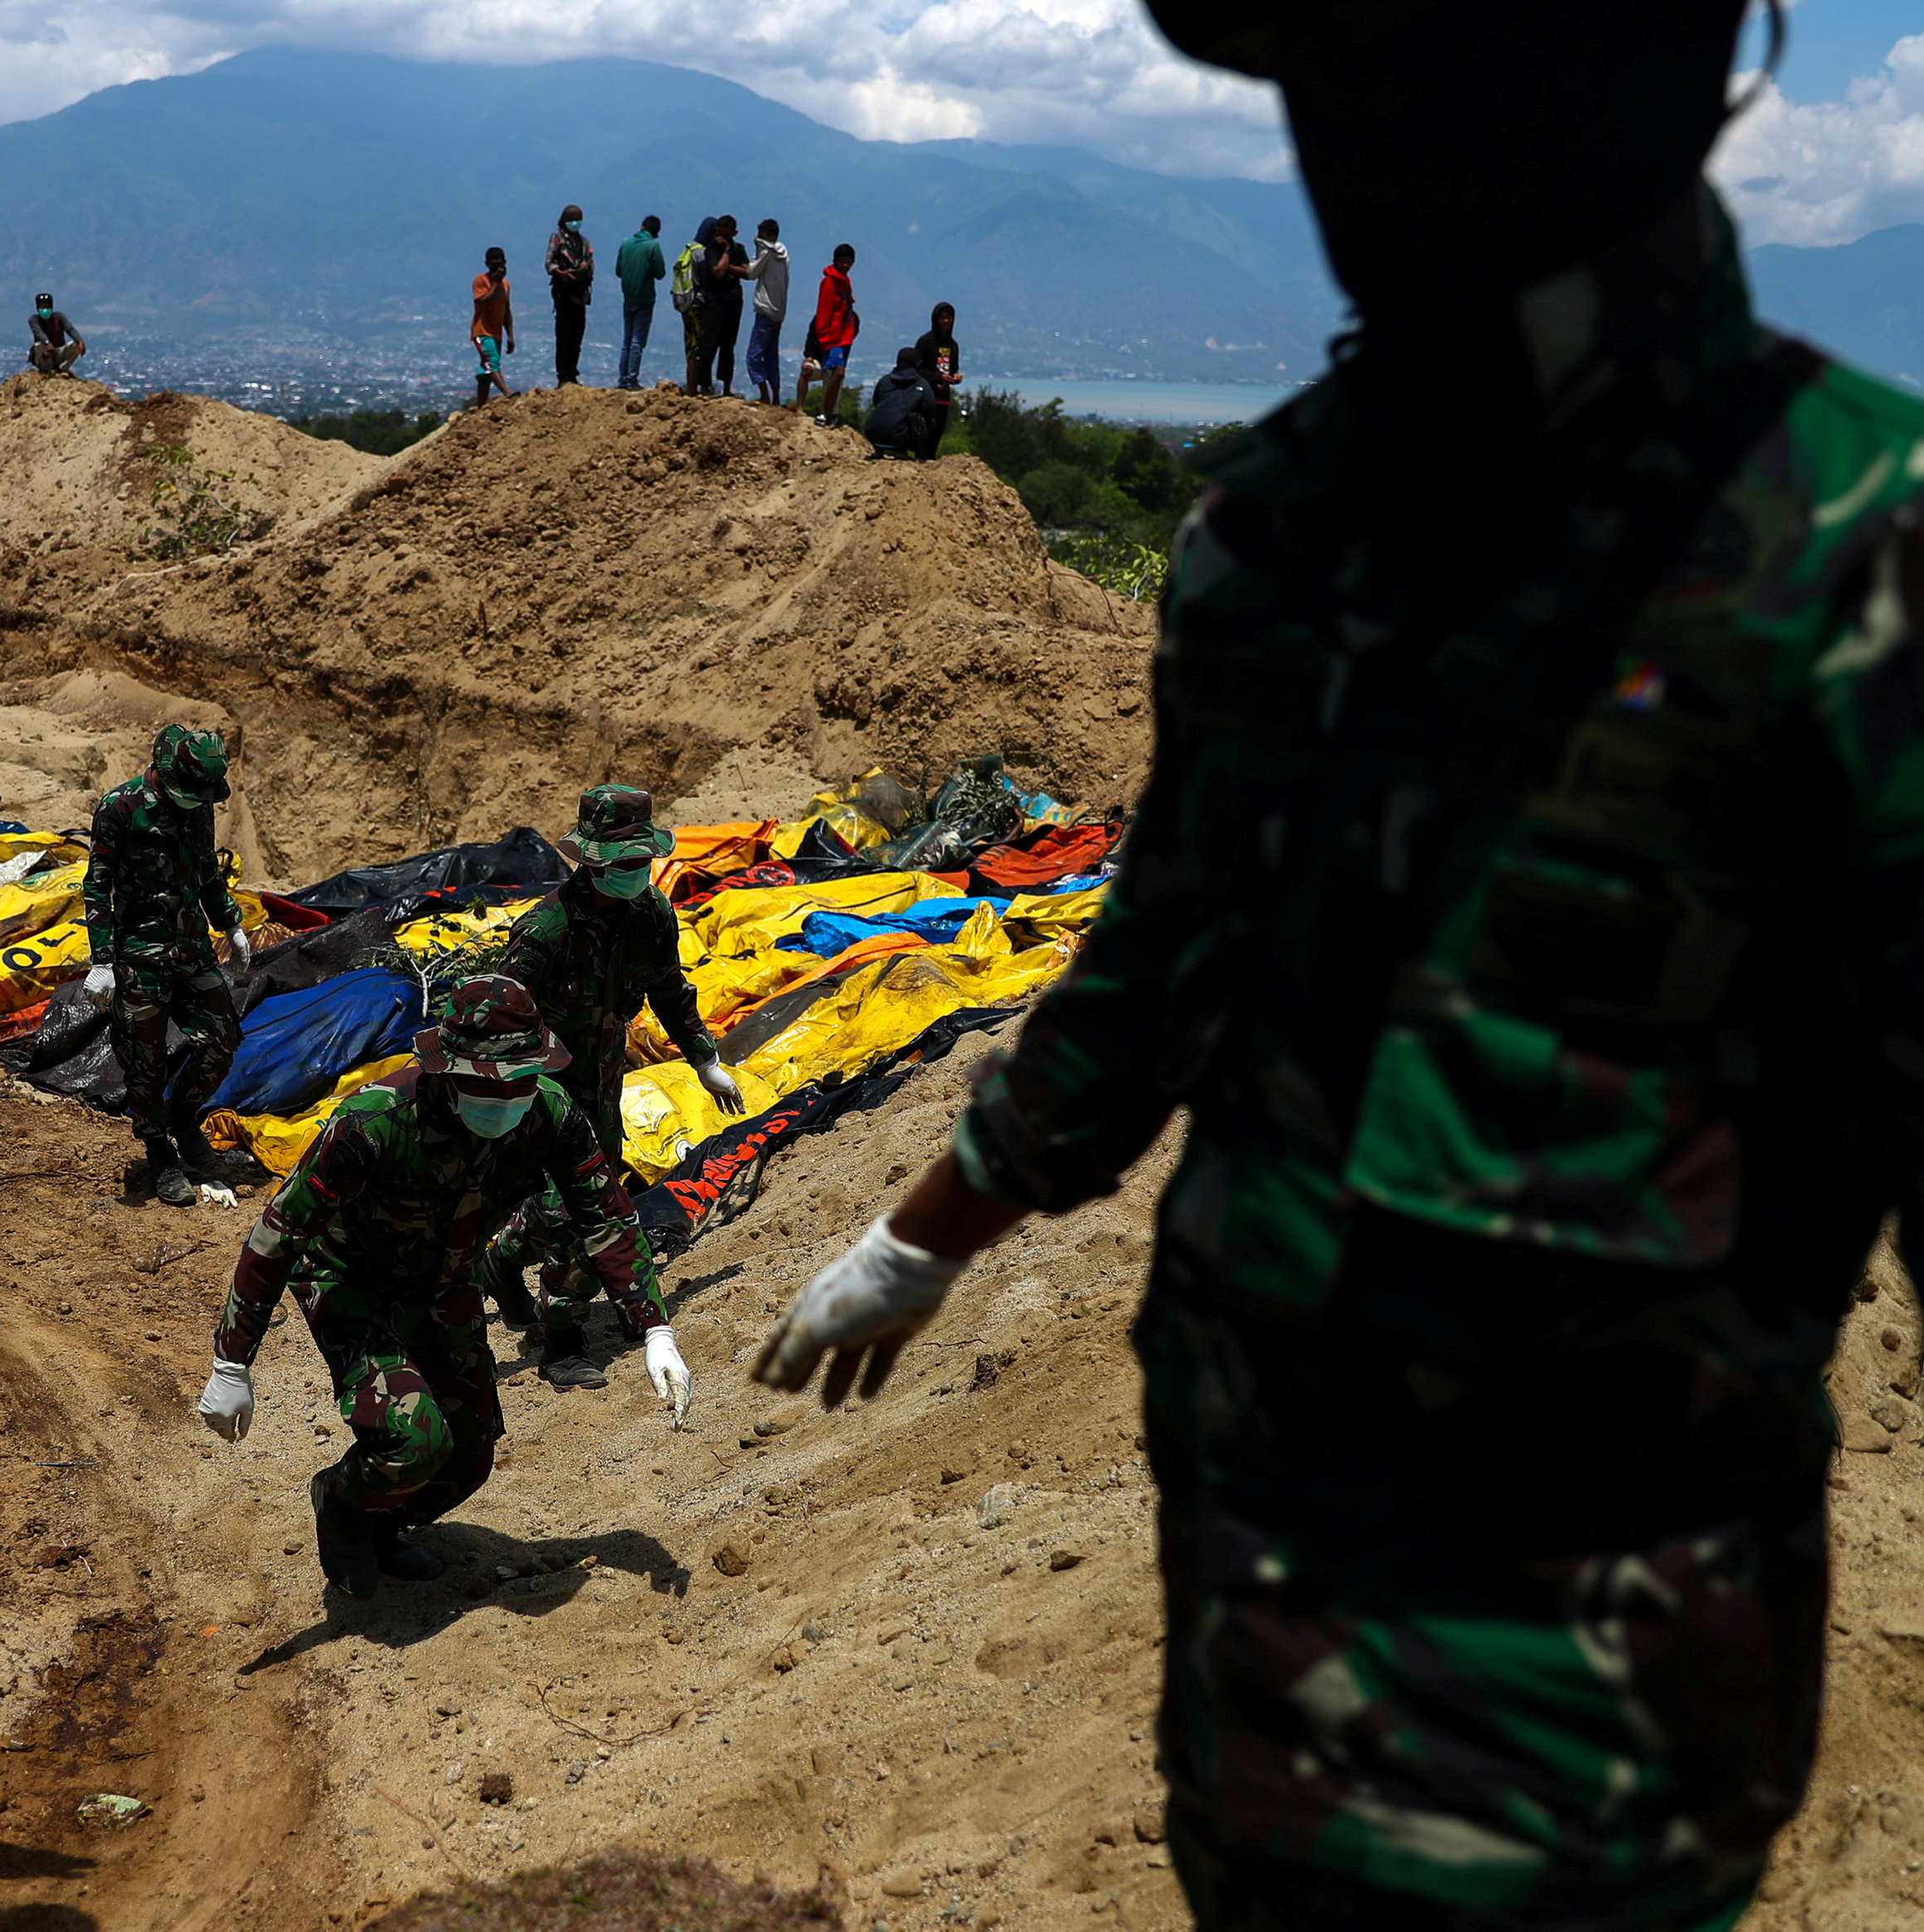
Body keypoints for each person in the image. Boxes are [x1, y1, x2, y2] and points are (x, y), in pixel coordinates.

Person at [753, 3, 1924, 1930]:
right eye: (1331, 80)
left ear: (1645, 77)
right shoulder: (1280, 531)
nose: (1362, 144)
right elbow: (1160, 961)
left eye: (1429, 66)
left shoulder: (1857, 559)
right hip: (1252, 1631)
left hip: (1585, 1728)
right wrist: (930, 1226)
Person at [193, 976, 692, 1598]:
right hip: (351, 1280)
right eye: (491, 1082)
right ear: (449, 1071)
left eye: (521, 1079)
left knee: (467, 1455)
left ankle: (384, 1524)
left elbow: (605, 1213)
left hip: (444, 1281)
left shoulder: (546, 1113)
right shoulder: (374, 1123)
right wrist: (232, 1361)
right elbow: (277, 1236)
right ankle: (343, 1506)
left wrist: (655, 1329)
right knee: (414, 1437)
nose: (508, 1097)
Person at [473, 786, 738, 1388]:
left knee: (596, 1196)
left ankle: (503, 1260)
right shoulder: (547, 930)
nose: (634, 874)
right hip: (540, 1088)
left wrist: (704, 1058)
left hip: (603, 1081)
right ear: (590, 862)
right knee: (575, 1205)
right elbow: (494, 1014)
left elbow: (669, 988)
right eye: (622, 864)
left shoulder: (651, 915)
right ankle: (562, 1338)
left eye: (641, 862)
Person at [81, 724, 252, 1208]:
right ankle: (159, 1150)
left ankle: (184, 1119)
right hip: (139, 954)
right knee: (144, 1059)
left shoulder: (196, 805)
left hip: (191, 946)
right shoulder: (120, 808)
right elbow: (97, 886)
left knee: (221, 1040)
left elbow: (207, 871)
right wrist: (102, 961)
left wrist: (230, 923)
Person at [795, 243, 858, 423]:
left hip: (844, 337)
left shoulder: (846, 282)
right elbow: (823, 313)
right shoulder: (829, 282)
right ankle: (825, 413)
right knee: (836, 373)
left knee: (837, 375)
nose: (845, 266)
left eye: (848, 262)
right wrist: (825, 339)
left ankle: (831, 413)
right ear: (835, 261)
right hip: (833, 339)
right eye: (842, 262)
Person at [859, 346, 941, 462]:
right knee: (930, 423)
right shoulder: (921, 384)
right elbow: (930, 410)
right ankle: (902, 452)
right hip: (901, 436)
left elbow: (876, 402)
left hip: (873, 432)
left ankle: (878, 450)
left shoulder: (885, 381)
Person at [545, 204, 596, 388]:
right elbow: (549, 263)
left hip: (579, 293)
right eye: (572, 219)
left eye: (578, 218)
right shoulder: (557, 239)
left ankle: (573, 373)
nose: (575, 222)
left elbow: (591, 261)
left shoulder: (584, 242)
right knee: (564, 333)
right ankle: (563, 375)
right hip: (563, 293)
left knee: (577, 334)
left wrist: (585, 267)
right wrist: (561, 272)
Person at [615, 215, 666, 389]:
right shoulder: (653, 245)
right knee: (637, 341)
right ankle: (632, 380)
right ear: (657, 233)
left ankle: (622, 380)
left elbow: (619, 271)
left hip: (628, 296)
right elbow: (660, 273)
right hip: (645, 298)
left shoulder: (626, 243)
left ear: (642, 226)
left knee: (627, 341)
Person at [703, 216, 751, 398]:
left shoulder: (739, 249)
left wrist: (728, 258)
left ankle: (726, 388)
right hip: (714, 301)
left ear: (734, 234)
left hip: (733, 301)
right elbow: (718, 272)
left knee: (728, 345)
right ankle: (705, 387)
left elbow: (747, 272)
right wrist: (727, 256)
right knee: (709, 344)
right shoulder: (712, 250)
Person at [746, 218, 792, 405]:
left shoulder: (766, 253)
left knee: (754, 355)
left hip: (765, 310)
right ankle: (776, 397)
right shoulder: (784, 254)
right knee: (771, 356)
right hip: (779, 311)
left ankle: (764, 395)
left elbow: (751, 273)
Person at [673, 218, 717, 396]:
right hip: (699, 304)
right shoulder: (702, 253)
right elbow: (708, 279)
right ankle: (698, 389)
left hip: (686, 304)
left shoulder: (689, 249)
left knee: (691, 346)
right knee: (700, 348)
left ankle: (691, 389)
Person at [912, 302, 962, 455]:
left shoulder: (953, 345)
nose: (946, 321)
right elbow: (917, 370)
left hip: (943, 397)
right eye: (942, 318)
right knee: (923, 434)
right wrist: (937, 377)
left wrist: (956, 377)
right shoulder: (926, 342)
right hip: (926, 396)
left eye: (949, 318)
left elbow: (953, 367)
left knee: (937, 434)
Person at [469, 247, 516, 406]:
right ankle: (507, 392)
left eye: (500, 264)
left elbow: (506, 312)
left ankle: (481, 406)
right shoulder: (481, 281)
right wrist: (495, 283)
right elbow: (482, 304)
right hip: (482, 331)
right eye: (494, 265)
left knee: (486, 372)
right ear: (487, 264)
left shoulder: (506, 285)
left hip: (496, 333)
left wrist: (510, 335)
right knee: (492, 363)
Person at [26, 294, 84, 375]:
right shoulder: (34, 320)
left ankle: (64, 367)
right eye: (42, 307)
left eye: (47, 307)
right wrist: (47, 343)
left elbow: (70, 329)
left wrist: (79, 340)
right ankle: (46, 368)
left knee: (76, 344)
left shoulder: (59, 317)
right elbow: (38, 332)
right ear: (38, 308)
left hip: (59, 352)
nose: (45, 310)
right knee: (38, 346)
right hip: (45, 356)